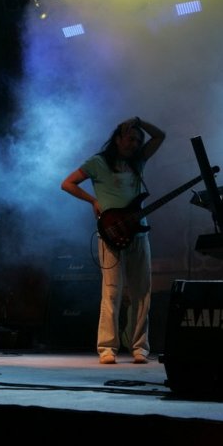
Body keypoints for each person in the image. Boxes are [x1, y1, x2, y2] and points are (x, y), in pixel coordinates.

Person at [61, 116, 165, 364]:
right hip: (111, 233)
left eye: (138, 140)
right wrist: (93, 201)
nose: (135, 144)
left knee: (142, 291)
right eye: (130, 138)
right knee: (112, 291)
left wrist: (140, 121)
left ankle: (139, 347)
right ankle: (107, 347)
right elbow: (67, 183)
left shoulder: (138, 161)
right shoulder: (98, 162)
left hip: (138, 233)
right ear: (117, 139)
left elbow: (160, 136)